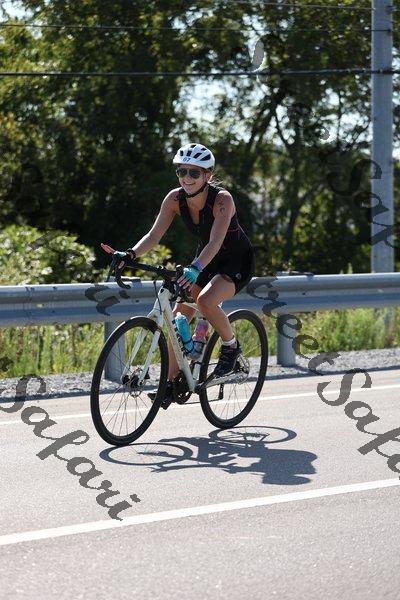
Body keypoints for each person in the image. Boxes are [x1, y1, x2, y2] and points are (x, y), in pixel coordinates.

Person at [101, 142, 256, 407]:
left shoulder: (222, 200)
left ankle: (231, 346)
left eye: (194, 172)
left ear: (208, 175)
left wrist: (195, 268)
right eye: (182, 171)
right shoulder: (174, 199)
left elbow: (216, 241)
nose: (186, 178)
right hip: (204, 259)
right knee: (177, 316)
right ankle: (171, 383)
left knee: (206, 301)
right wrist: (130, 254)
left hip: (235, 260)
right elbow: (154, 235)